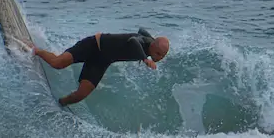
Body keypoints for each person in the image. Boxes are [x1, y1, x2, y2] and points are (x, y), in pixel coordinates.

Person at [31, 30, 170, 105]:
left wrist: (150, 47)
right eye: (158, 54)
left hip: (102, 60)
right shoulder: (141, 43)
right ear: (153, 46)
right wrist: (144, 58)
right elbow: (133, 40)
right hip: (93, 45)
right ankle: (36, 50)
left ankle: (59, 104)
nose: (159, 58)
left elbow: (142, 30)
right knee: (57, 63)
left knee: (81, 95)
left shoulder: (150, 42)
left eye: (162, 56)